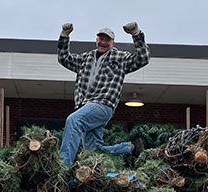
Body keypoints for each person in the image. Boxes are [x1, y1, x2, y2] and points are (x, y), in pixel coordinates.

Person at [57, 22, 150, 167]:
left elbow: (143, 58)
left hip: (103, 104)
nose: (103, 42)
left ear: (112, 43)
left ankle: (63, 166)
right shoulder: (85, 58)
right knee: (92, 151)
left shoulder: (119, 58)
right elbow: (64, 58)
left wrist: (136, 34)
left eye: (107, 40)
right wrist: (64, 35)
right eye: (101, 39)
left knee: (74, 121)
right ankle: (130, 148)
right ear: (96, 40)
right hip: (85, 105)